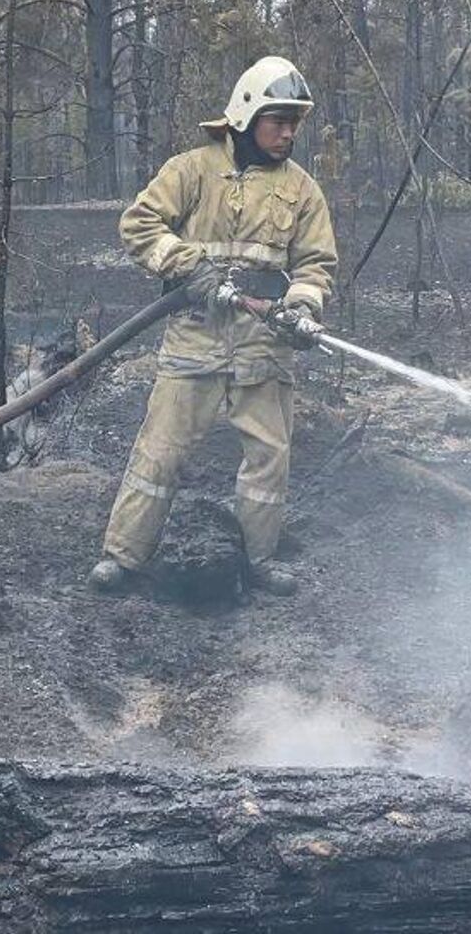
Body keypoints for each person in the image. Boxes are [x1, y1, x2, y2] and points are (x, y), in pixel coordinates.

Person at [90, 57, 339, 597]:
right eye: (279, 120)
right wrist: (189, 267)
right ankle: (123, 556)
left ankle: (260, 561)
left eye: (295, 122)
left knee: (269, 457)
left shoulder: (302, 190)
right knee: (159, 451)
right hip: (196, 334)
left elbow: (316, 263)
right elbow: (138, 224)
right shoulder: (191, 170)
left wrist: (302, 307)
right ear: (247, 115)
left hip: (264, 343)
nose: (289, 132)